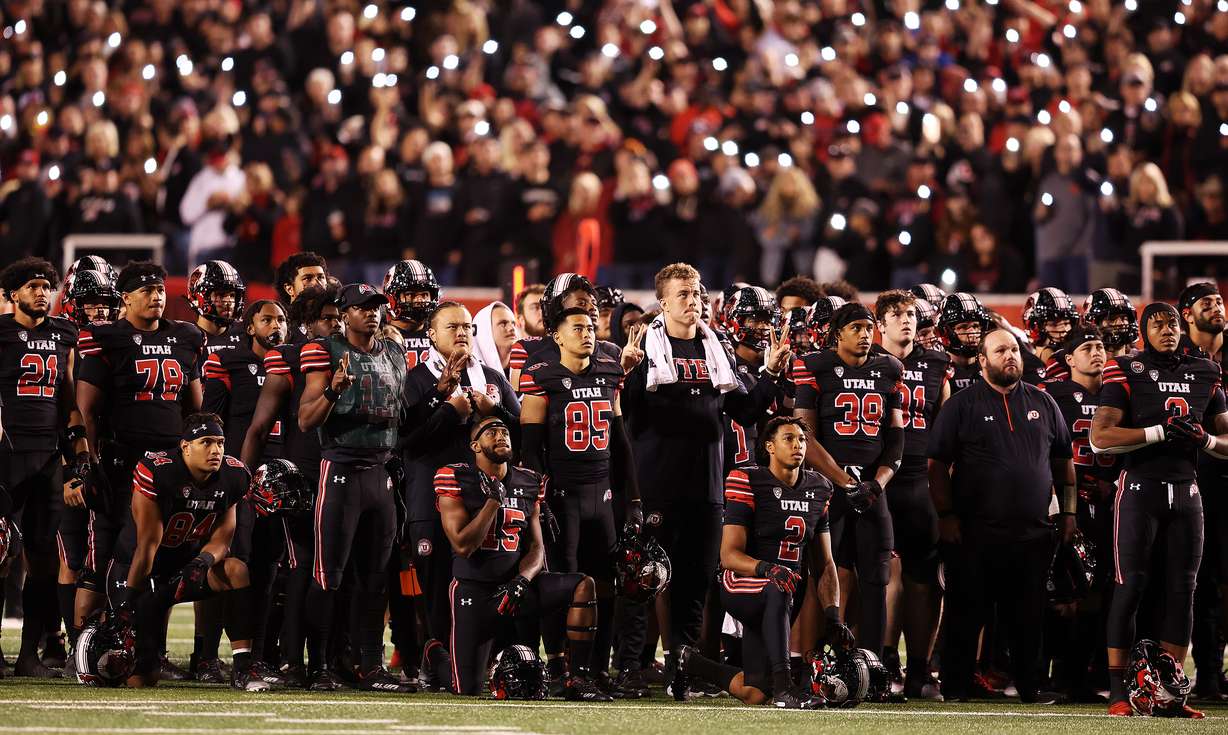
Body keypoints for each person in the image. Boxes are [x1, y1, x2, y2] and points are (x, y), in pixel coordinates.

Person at [621, 263, 790, 697]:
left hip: (706, 484)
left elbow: (746, 412)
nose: (693, 301)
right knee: (649, 578)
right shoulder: (645, 352)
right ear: (663, 302)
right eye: (683, 294)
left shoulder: (717, 350)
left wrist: (770, 373)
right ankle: (634, 666)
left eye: (697, 293)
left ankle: (685, 664)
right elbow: (631, 423)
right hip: (658, 481)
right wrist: (628, 377)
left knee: (696, 582)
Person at [1090, 302, 1228, 718]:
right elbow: (1101, 438)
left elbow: (1227, 440)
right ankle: (1118, 692)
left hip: (1187, 492)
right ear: (1142, 330)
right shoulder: (1125, 370)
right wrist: (1156, 432)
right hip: (1139, 489)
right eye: (1157, 323)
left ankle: (1171, 692)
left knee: (1183, 591)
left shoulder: (1205, 371)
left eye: (1171, 323)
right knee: (1130, 585)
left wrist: (1203, 440)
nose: (1167, 330)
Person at [929, 327, 1076, 703]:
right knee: (966, 613)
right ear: (982, 361)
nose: (1010, 356)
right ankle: (956, 687)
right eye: (1000, 351)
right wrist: (945, 515)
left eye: (1014, 349)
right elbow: (937, 465)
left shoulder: (1044, 403)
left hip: (1032, 532)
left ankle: (1029, 687)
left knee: (1028, 616)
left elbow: (1063, 462)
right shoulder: (961, 404)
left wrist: (1069, 512)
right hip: (975, 531)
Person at [75, 261, 205, 680]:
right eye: (146, 290)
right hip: (121, 461)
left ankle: (149, 653)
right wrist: (91, 461)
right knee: (106, 557)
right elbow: (87, 411)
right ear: (125, 298)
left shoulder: (186, 336)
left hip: (167, 463)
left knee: (158, 561)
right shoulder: (104, 337)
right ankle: (86, 648)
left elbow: (194, 408)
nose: (156, 296)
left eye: (161, 289)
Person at [674, 416, 839, 708]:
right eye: (788, 439)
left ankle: (691, 663)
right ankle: (785, 689)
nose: (797, 445)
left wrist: (834, 616)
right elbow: (729, 556)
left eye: (801, 439)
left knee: (755, 693)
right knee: (777, 588)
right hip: (743, 581)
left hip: (786, 591)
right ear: (769, 447)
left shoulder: (820, 488)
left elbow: (825, 564)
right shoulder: (748, 479)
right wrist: (767, 568)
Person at [436, 416, 605, 700]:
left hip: (517, 588)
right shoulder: (455, 477)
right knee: (468, 689)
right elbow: (463, 545)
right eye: (491, 432)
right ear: (475, 445)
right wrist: (492, 502)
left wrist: (522, 580)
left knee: (583, 585)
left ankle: (578, 679)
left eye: (505, 431)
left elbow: (537, 548)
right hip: (475, 592)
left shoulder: (528, 481)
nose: (501, 435)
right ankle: (436, 655)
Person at [401, 300, 519, 691]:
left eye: (467, 327)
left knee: (485, 580)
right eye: (452, 327)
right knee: (434, 587)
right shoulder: (415, 379)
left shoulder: (491, 376)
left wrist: (493, 410)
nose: (462, 333)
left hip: (483, 503)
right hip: (428, 499)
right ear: (431, 335)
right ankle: (435, 660)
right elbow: (407, 444)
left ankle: (479, 663)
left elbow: (520, 432)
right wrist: (446, 407)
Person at [520, 307, 638, 696]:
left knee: (606, 582)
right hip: (562, 495)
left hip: (601, 494)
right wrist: (538, 497)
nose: (587, 334)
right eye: (577, 328)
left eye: (590, 327)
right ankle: (558, 666)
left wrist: (632, 497)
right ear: (557, 334)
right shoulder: (540, 376)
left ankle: (594, 668)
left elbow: (620, 441)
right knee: (564, 582)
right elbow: (531, 448)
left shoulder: (609, 371)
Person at [298, 283, 410, 692]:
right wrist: (332, 390)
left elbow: (402, 415)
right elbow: (306, 421)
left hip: (380, 471)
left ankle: (369, 665)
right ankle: (320, 665)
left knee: (376, 578)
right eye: (362, 308)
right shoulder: (324, 350)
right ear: (344, 314)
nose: (372, 313)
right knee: (329, 575)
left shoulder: (395, 353)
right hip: (341, 468)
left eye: (376, 306)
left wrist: (439, 391)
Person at [107, 412, 265, 691]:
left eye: (220, 442)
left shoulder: (234, 474)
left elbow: (223, 538)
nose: (215, 450)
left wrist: (202, 562)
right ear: (185, 446)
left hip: (185, 565)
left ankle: (243, 668)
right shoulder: (158, 470)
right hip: (142, 568)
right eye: (206, 442)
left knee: (235, 570)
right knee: (141, 679)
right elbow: (147, 546)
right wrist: (129, 603)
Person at [792, 302, 906, 665]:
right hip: (828, 486)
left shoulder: (890, 368)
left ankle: (871, 667)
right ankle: (807, 663)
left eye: (868, 327)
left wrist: (877, 483)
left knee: (876, 579)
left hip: (872, 490)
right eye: (855, 327)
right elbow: (804, 436)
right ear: (837, 332)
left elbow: (897, 439)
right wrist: (845, 483)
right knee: (820, 578)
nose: (864, 334)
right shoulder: (814, 366)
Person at [241, 285, 341, 686]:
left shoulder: (360, 352)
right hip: (303, 476)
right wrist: (241, 482)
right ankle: (288, 661)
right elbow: (260, 427)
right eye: (327, 318)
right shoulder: (289, 356)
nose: (335, 324)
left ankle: (325, 661)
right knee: (298, 570)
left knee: (333, 572)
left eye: (338, 317)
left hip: (347, 474)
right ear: (306, 322)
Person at [199, 299, 289, 684]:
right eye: (267, 318)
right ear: (249, 326)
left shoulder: (294, 362)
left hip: (282, 478)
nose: (277, 326)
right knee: (233, 565)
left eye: (282, 319)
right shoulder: (228, 362)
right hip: (239, 478)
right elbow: (210, 420)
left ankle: (258, 656)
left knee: (269, 570)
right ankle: (205, 655)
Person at [0, 259, 79, 678]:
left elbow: (67, 391)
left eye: (47, 286)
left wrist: (76, 445)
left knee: (43, 557)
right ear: (13, 293)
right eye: (33, 286)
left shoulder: (64, 332)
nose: (42, 293)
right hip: (6, 454)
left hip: (48, 454)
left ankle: (30, 652)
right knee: (0, 551)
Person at [872, 290, 950, 699]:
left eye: (911, 314)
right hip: (878, 479)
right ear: (879, 322)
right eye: (897, 314)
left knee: (926, 580)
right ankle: (883, 663)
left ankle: (920, 669)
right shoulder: (864, 358)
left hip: (921, 479)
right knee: (886, 576)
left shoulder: (937, 364)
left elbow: (948, 427)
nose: (907, 320)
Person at [1040, 324, 1117, 701]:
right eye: (1087, 347)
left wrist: (1111, 482)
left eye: (1100, 346)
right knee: (1058, 594)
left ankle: (1077, 676)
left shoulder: (1118, 391)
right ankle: (1046, 674)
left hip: (1108, 502)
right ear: (1068, 358)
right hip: (1063, 502)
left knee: (1097, 592)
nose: (1097, 352)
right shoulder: (1052, 394)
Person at [1174, 283, 1228, 701]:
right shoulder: (1176, 360)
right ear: (1186, 314)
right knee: (1203, 579)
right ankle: (1207, 673)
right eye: (1204, 303)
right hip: (1195, 478)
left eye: (1219, 301)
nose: (1216, 307)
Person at [382, 259, 439, 369]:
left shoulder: (440, 333)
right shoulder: (379, 336)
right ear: (392, 299)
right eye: (411, 295)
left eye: (424, 294)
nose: (420, 300)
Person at [937, 292, 994, 394]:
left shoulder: (992, 365)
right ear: (946, 332)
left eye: (976, 326)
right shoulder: (936, 368)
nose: (972, 333)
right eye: (963, 327)